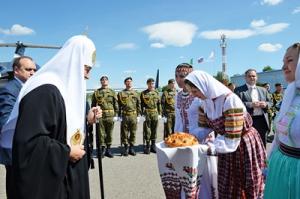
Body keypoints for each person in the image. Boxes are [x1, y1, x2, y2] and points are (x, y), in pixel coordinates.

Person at [3, 35, 96, 199]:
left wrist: (87, 121)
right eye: (86, 69)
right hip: (52, 185)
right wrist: (66, 153)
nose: (87, 77)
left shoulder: (64, 90)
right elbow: (29, 143)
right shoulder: (45, 90)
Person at [185, 70, 266, 199]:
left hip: (243, 144)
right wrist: (188, 140)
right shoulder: (204, 103)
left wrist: (206, 147)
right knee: (227, 183)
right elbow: (204, 129)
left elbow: (231, 140)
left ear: (204, 86)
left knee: (247, 182)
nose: (194, 95)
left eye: (195, 91)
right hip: (225, 145)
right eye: (191, 92)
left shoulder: (230, 100)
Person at [264, 42, 300, 199]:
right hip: (281, 167)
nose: (284, 66)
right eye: (283, 62)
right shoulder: (290, 93)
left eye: (290, 60)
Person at [0, 56, 36, 199]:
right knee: (17, 190)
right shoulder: (10, 90)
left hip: (25, 149)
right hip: (15, 150)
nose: (33, 73)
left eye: (34, 69)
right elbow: (6, 122)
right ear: (16, 70)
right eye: (28, 69)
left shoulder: (26, 88)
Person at [235, 69, 273, 146]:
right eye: (249, 76)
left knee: (262, 142)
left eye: (253, 76)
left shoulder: (263, 90)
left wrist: (265, 104)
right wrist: (251, 104)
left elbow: (271, 102)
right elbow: (235, 105)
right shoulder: (238, 90)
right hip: (247, 121)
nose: (252, 78)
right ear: (245, 78)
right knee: (249, 143)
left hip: (262, 120)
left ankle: (263, 158)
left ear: (257, 77)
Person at [91, 75, 118, 158]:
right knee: (101, 133)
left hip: (110, 115)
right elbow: (93, 105)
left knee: (109, 133)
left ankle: (108, 150)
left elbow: (115, 104)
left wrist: (116, 114)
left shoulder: (112, 92)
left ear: (108, 81)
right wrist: (94, 115)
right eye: (103, 80)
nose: (104, 81)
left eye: (106, 79)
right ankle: (102, 149)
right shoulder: (96, 92)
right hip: (101, 115)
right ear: (101, 82)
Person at [174, 63, 202, 139]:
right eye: (176, 76)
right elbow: (178, 120)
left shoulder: (199, 96)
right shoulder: (177, 96)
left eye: (182, 76)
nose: (178, 79)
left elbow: (207, 122)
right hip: (181, 139)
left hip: (197, 139)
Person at [117, 77, 141, 156]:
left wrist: (139, 115)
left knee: (133, 132)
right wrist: (118, 115)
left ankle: (131, 147)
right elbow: (118, 105)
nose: (129, 83)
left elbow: (138, 104)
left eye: (130, 81)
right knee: (124, 132)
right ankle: (126, 147)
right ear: (125, 83)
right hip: (125, 115)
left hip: (133, 115)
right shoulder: (121, 93)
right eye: (127, 81)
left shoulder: (136, 93)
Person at [140, 78, 161, 154]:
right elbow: (141, 105)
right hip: (147, 113)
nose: (151, 85)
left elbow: (159, 104)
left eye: (152, 83)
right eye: (150, 83)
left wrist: (160, 114)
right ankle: (148, 146)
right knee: (147, 130)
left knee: (154, 129)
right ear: (147, 84)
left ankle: (153, 145)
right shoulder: (143, 93)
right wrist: (141, 114)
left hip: (155, 112)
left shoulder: (156, 93)